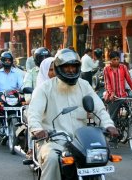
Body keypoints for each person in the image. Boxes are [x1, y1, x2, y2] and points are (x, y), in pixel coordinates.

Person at [28, 48, 118, 180]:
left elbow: (99, 109)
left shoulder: (84, 85)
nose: (71, 70)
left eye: (74, 67)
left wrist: (109, 125)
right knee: (52, 159)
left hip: (80, 142)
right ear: (59, 68)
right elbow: (33, 113)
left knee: (100, 157)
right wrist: (37, 129)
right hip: (53, 141)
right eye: (66, 67)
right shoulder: (45, 88)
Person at [0, 51, 24, 138]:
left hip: (14, 95)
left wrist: (23, 90)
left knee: (24, 104)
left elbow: (21, 85)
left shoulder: (17, 73)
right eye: (5, 60)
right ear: (2, 61)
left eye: (9, 60)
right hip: (1, 95)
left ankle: (24, 127)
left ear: (12, 61)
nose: (7, 62)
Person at [103, 51, 132, 124]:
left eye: (117, 59)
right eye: (114, 59)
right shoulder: (106, 69)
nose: (116, 61)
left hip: (123, 96)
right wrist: (112, 93)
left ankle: (127, 123)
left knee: (131, 109)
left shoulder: (123, 67)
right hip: (112, 97)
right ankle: (113, 132)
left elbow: (129, 81)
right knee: (113, 119)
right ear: (110, 60)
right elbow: (107, 84)